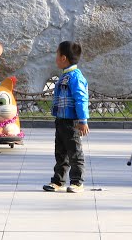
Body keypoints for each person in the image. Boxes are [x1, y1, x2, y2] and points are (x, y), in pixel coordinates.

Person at [43, 41, 89, 193]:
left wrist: (83, 120)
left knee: (74, 151)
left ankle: (77, 181)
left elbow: (81, 99)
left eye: (56, 54)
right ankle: (58, 180)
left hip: (72, 122)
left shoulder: (75, 77)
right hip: (61, 120)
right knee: (60, 152)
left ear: (63, 58)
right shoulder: (64, 76)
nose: (55, 58)